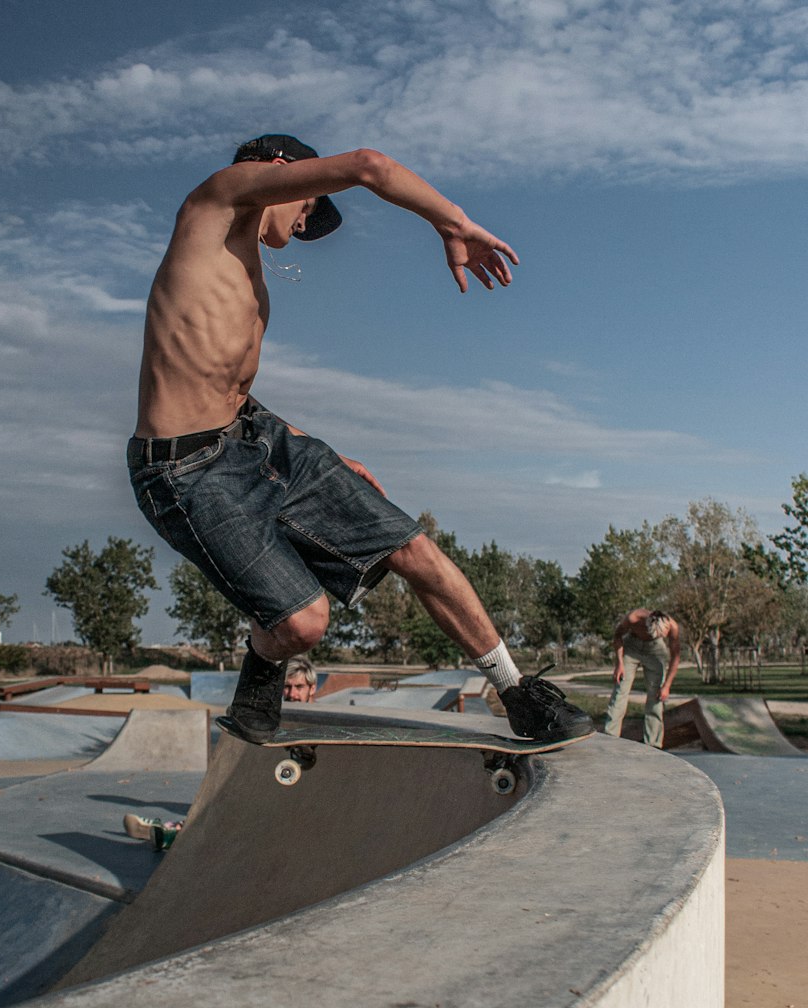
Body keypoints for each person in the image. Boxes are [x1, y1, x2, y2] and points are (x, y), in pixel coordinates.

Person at [127, 133, 591, 745]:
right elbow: (370, 166)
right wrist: (453, 224)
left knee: (411, 547)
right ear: (281, 172)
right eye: (308, 204)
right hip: (184, 469)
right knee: (302, 623)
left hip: (255, 437)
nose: (306, 220)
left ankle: (517, 693)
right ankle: (260, 677)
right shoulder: (216, 200)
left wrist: (303, 447)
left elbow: (224, 383)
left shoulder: (247, 268)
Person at [122, 655, 319, 849]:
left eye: (299, 687)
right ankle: (173, 831)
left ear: (312, 688)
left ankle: (176, 830)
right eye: (287, 687)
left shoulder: (327, 723)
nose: (292, 694)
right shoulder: (273, 721)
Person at [601, 609, 681, 747]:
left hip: (655, 651)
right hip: (632, 646)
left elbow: (676, 657)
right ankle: (610, 738)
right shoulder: (633, 618)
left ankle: (653, 744)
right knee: (620, 691)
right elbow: (617, 635)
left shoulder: (673, 627)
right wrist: (619, 663)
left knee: (656, 696)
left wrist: (666, 686)